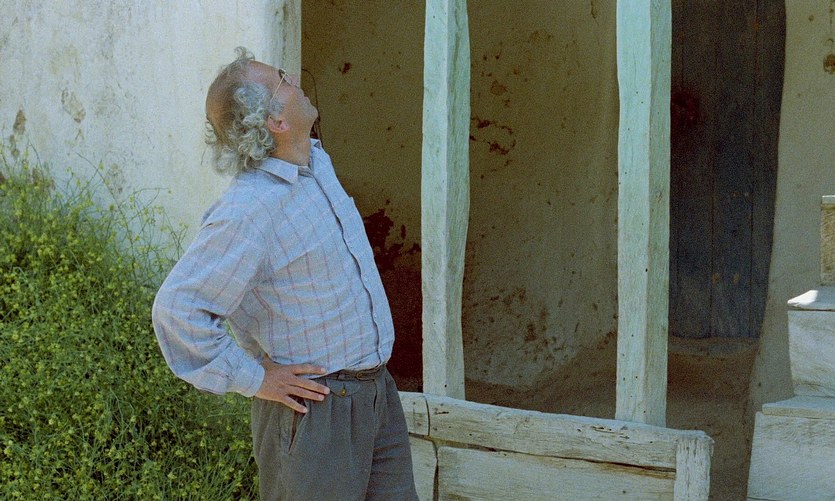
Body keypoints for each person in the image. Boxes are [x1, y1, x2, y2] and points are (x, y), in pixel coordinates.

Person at [152, 47, 418, 501]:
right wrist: (256, 377)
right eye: (281, 79)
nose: (293, 78)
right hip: (315, 410)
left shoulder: (314, 164)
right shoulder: (249, 208)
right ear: (275, 121)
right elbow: (177, 309)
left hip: (376, 395)